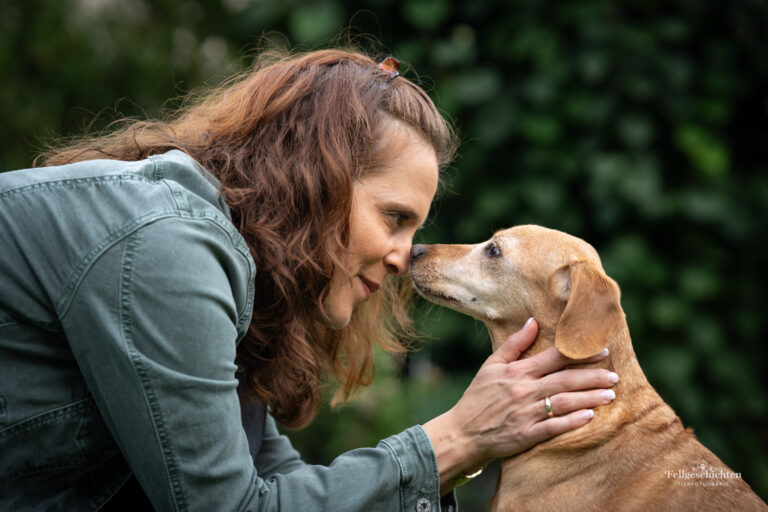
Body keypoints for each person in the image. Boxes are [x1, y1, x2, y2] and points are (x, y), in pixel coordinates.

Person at [0, 48, 619, 511]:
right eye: (394, 218)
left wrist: (458, 449)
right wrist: (454, 439)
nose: (406, 256)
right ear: (317, 179)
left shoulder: (233, 280)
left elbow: (278, 484)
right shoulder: (170, 250)